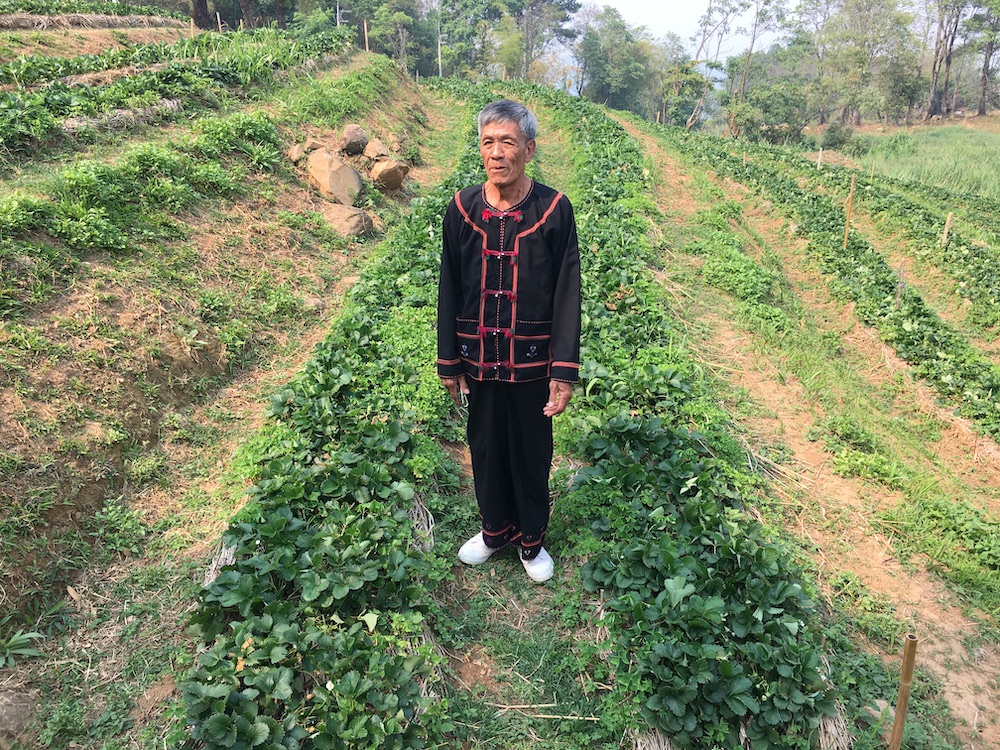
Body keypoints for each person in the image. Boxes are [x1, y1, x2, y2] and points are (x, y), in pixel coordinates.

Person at [436, 99, 581, 584]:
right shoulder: (461, 209)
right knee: (485, 444)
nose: (497, 153)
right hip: (479, 357)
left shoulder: (554, 211)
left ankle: (531, 540)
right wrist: (449, 359)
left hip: (532, 361)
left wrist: (563, 371)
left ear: (529, 149)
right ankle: (495, 531)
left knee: (531, 449)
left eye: (508, 143)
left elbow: (566, 293)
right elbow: (449, 285)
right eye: (488, 143)